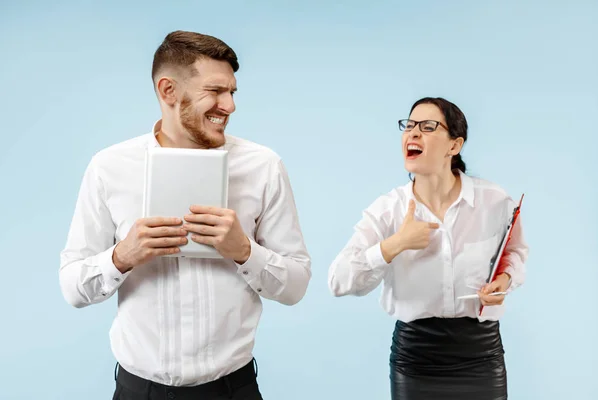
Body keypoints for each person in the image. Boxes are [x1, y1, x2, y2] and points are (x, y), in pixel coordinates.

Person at [59, 30, 311, 400]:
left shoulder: (263, 166)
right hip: (137, 391)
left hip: (232, 390)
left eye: (232, 92)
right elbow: (72, 288)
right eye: (215, 91)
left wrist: (244, 250)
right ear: (168, 91)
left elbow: (296, 286)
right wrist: (122, 257)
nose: (230, 106)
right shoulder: (109, 167)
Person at [328, 97, 528, 400]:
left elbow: (514, 253)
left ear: (454, 145)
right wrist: (395, 244)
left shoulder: (496, 201)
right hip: (416, 358)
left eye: (427, 127)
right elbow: (338, 281)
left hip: (481, 355)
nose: (413, 133)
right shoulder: (387, 210)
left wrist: (505, 281)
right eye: (408, 126)